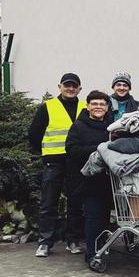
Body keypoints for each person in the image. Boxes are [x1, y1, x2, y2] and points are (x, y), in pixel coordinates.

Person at [28, 73, 87, 257]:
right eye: (67, 85)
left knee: (75, 203)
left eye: (74, 86)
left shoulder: (85, 107)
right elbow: (34, 134)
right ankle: (45, 242)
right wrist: (45, 152)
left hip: (77, 161)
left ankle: (73, 240)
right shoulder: (48, 107)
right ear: (60, 86)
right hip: (54, 161)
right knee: (49, 202)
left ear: (79, 89)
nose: (70, 89)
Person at [65, 90, 113, 266]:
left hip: (107, 181)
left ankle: (102, 247)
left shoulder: (111, 127)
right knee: (93, 217)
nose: (98, 107)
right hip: (87, 181)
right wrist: (99, 149)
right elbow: (72, 150)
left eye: (102, 104)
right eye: (95, 104)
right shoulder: (78, 126)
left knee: (104, 218)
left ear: (107, 107)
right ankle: (92, 254)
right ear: (88, 106)